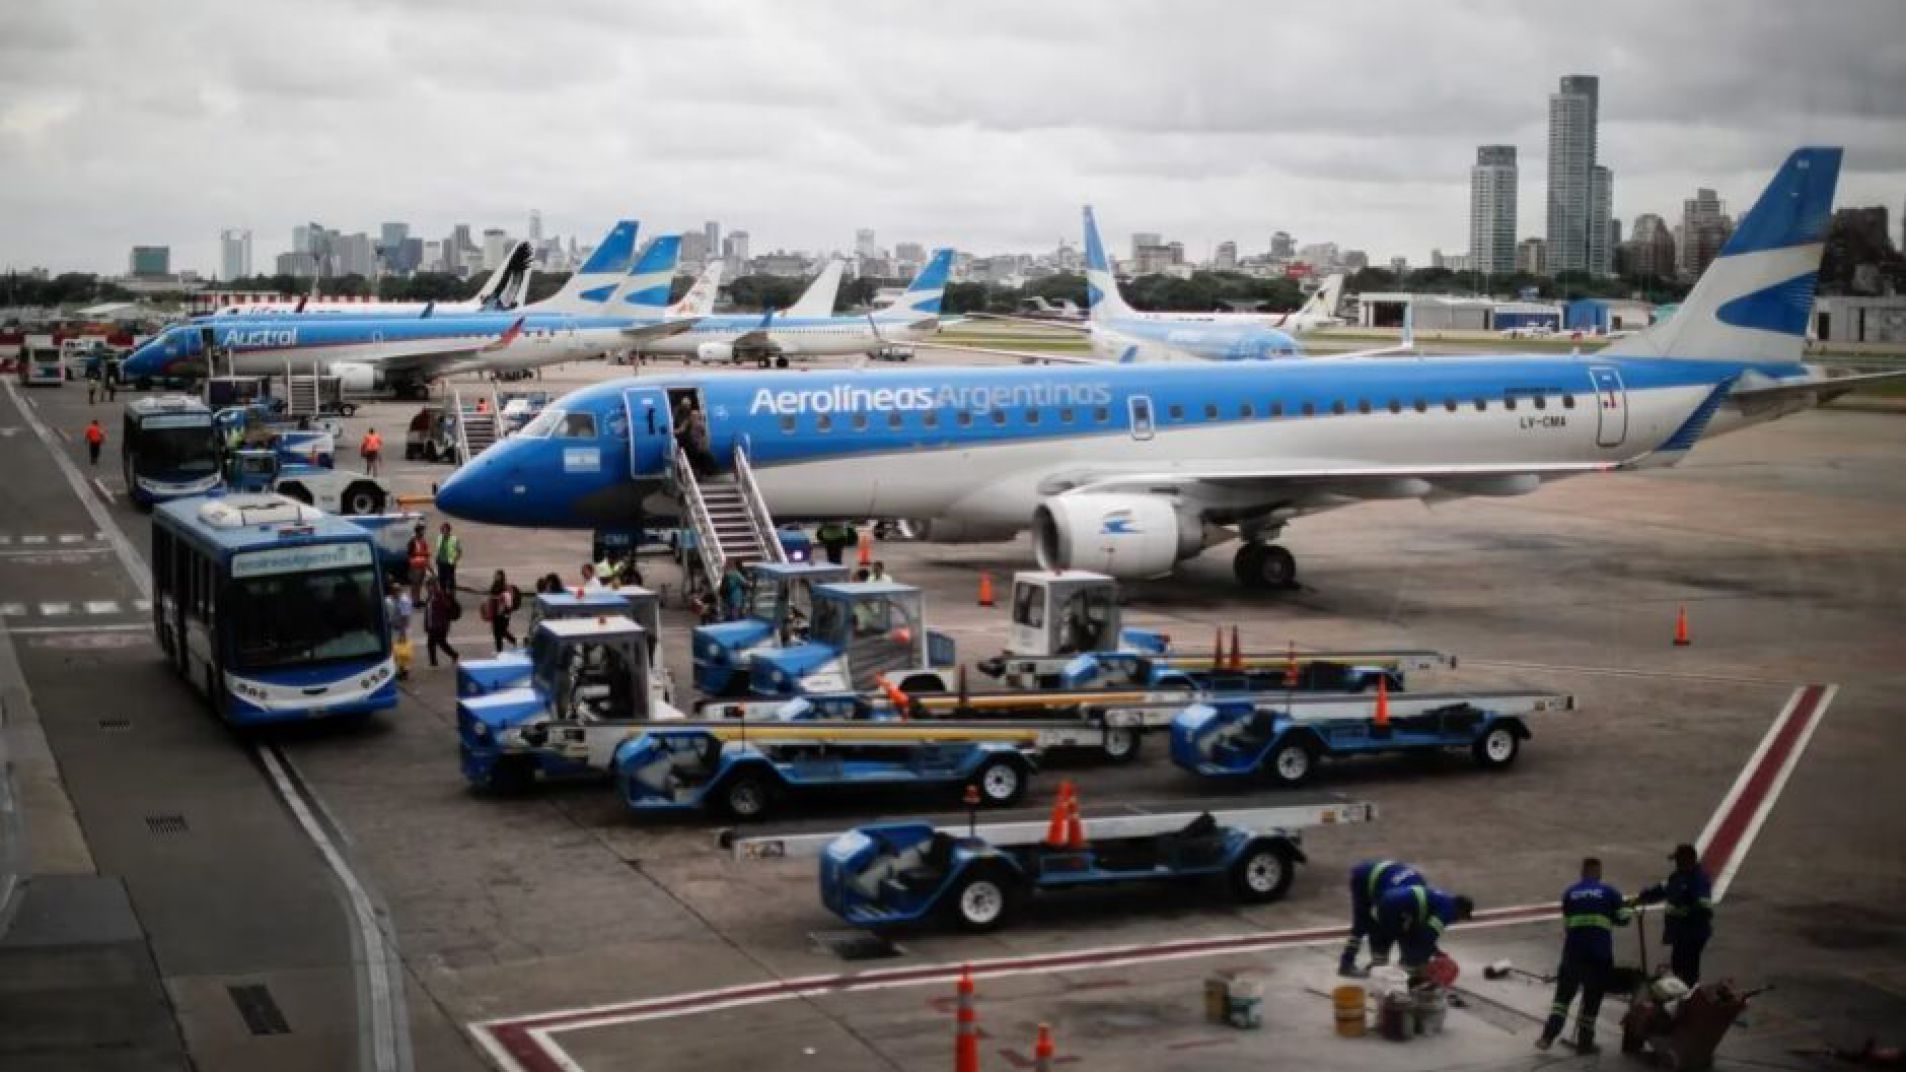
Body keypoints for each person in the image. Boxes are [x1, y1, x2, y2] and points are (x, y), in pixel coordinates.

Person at [1537, 858, 1633, 1053]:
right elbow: (1624, 919)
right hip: (1599, 954)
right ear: (1598, 872)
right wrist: (1624, 908)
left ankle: (1547, 1036)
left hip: (1573, 952)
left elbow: (1568, 922)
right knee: (1593, 997)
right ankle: (1585, 1041)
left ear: (1582, 872)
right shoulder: (1609, 892)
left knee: (1562, 998)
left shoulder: (1569, 893)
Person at [1636, 843, 1714, 986]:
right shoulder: (1677, 877)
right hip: (1680, 933)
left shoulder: (1698, 879)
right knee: (1678, 966)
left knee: (1687, 969)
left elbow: (1705, 907)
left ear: (1689, 860)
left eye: (1679, 860)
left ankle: (1688, 997)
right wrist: (1642, 897)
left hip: (1693, 933)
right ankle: (1682, 995)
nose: (1677, 863)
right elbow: (1661, 889)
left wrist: (1687, 913)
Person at [1340, 859, 1425, 977]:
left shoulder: (1419, 895)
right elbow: (1387, 926)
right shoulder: (1397, 900)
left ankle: (1378, 961)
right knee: (1361, 922)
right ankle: (1346, 964)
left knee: (1391, 926)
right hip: (1364, 878)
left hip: (1383, 876)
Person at [1373, 884, 1475, 976]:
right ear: (1461, 910)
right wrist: (1434, 953)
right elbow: (1428, 935)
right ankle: (1408, 973)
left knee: (1408, 937)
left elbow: (1421, 931)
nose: (1458, 919)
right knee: (1416, 948)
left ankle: (1396, 967)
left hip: (1387, 899)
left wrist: (1435, 951)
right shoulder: (1449, 911)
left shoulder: (1443, 900)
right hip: (1395, 907)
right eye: (1462, 916)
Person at [422, 577, 459, 667]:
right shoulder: (430, 597)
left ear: (434, 586)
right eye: (427, 586)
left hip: (440, 625)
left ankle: (435, 662)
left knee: (437, 643)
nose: (427, 588)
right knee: (437, 643)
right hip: (433, 625)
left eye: (429, 586)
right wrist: (426, 624)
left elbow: (446, 608)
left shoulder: (440, 596)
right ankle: (449, 656)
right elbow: (428, 612)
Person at [385, 582, 414, 679]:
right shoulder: (390, 600)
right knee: (396, 651)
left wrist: (403, 634)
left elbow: (404, 618)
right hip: (394, 628)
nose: (395, 593)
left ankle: (404, 671)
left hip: (401, 630)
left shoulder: (404, 601)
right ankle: (400, 670)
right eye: (393, 591)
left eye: (396, 591)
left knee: (402, 652)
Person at [484, 570, 518, 652]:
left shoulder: (505, 587)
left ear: (502, 577)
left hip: (503, 614)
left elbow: (508, 602)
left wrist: (504, 609)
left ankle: (512, 640)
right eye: (496, 575)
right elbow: (491, 598)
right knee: (496, 633)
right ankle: (499, 651)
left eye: (498, 575)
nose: (496, 577)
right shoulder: (493, 586)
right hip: (495, 613)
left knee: (502, 631)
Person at [405, 524, 431, 603]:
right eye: (422, 530)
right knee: (415, 584)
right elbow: (409, 553)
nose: (423, 532)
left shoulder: (423, 541)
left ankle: (417, 599)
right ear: (418, 531)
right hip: (415, 566)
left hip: (422, 565)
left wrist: (427, 563)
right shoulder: (412, 541)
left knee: (419, 584)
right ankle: (414, 600)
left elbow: (426, 552)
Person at [434, 522, 462, 592]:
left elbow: (459, 551)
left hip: (450, 562)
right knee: (441, 579)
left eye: (445, 530)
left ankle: (451, 595)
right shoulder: (439, 538)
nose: (444, 533)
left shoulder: (454, 539)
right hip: (441, 562)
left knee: (450, 580)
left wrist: (455, 559)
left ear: (449, 531)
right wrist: (437, 558)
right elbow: (438, 549)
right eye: (442, 531)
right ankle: (443, 594)